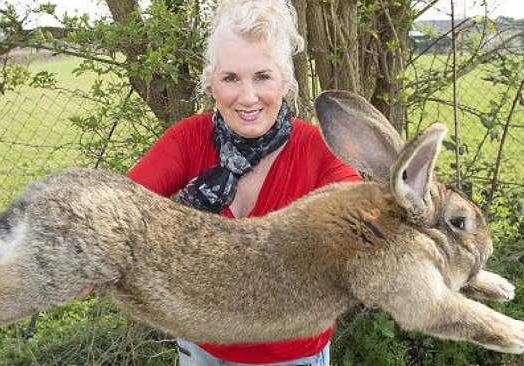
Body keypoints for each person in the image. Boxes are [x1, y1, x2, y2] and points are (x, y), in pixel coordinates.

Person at [126, 0, 361, 364]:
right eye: (231, 78)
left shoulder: (321, 151)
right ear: (212, 83)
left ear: (285, 81)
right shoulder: (188, 139)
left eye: (263, 77)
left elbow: (360, 229)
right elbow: (116, 209)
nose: (247, 97)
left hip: (290, 354)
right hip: (201, 346)